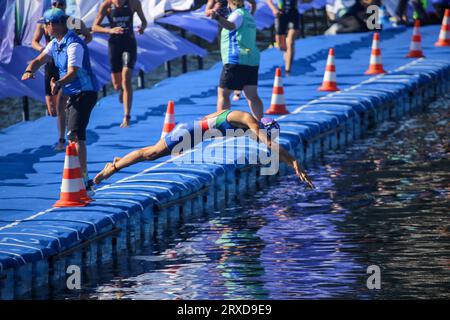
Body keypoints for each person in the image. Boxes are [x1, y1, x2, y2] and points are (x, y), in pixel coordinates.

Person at [93, 109, 314, 189]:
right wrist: (294, 162)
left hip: (194, 135)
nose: (265, 138)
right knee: (151, 154)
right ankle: (113, 167)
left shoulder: (247, 126)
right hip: (189, 132)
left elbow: (212, 117)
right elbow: (269, 145)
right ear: (264, 127)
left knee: (152, 154)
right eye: (267, 134)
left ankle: (119, 161)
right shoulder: (249, 120)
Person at [22, 8, 99, 189]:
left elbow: (73, 73)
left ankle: (84, 179)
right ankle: (83, 178)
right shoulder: (54, 43)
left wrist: (58, 83)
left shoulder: (74, 45)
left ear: (53, 25)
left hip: (85, 92)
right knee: (74, 135)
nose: (44, 29)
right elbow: (39, 60)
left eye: (45, 25)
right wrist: (29, 70)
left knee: (75, 133)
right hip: (72, 92)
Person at [31, 0, 92, 151]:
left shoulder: (73, 22)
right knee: (52, 109)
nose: (57, 7)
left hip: (65, 64)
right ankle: (68, 129)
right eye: (54, 4)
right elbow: (34, 41)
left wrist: (77, 48)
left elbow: (88, 36)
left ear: (65, 7)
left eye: (61, 4)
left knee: (60, 103)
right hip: (51, 63)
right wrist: (45, 50)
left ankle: (62, 139)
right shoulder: (45, 22)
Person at [92, 0, 147, 128]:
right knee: (117, 85)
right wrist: (110, 30)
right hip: (114, 45)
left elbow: (143, 21)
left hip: (129, 43)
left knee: (126, 78)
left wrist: (142, 27)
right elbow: (95, 27)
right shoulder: (106, 5)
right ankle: (122, 89)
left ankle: (127, 116)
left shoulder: (133, 3)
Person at [206, 0, 264, 121]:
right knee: (252, 96)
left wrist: (217, 17)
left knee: (224, 94)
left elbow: (230, 25)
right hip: (251, 60)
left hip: (236, 59)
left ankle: (222, 125)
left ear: (229, 3)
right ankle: (260, 124)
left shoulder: (237, 14)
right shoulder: (249, 15)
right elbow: (253, 4)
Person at [266, 0, 301, 75]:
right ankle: (286, 51)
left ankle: (288, 70)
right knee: (281, 46)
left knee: (290, 42)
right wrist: (273, 9)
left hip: (293, 13)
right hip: (281, 14)